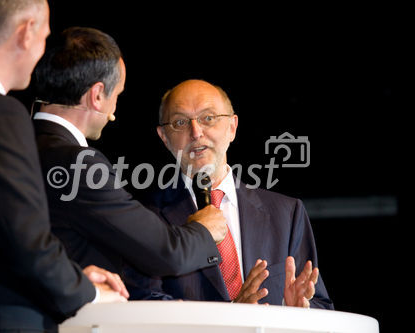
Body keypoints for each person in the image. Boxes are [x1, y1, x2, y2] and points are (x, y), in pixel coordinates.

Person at [0, 1, 128, 332]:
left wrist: (72, 274)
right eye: (45, 35)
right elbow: (25, 242)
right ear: (27, 31)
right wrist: (88, 292)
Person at [32, 27, 227, 281]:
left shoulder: (20, 143)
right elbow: (164, 253)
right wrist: (203, 230)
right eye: (117, 95)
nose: (114, 111)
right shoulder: (78, 163)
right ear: (98, 95)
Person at [125, 79, 334, 309]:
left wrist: (294, 309)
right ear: (164, 137)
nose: (196, 132)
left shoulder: (287, 213)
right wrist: (232, 314)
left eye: (208, 118)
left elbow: (320, 305)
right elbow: (143, 306)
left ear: (232, 127)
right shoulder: (142, 218)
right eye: (180, 122)